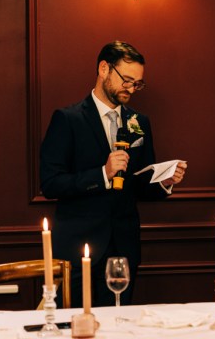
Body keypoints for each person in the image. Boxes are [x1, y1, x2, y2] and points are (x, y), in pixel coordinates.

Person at [40, 40, 187, 307]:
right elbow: (50, 184)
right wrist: (103, 174)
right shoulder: (67, 119)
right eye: (127, 80)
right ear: (104, 69)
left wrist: (163, 181)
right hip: (77, 249)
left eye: (137, 83)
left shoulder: (139, 122)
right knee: (74, 327)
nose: (131, 89)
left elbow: (139, 186)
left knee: (118, 326)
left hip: (123, 248)